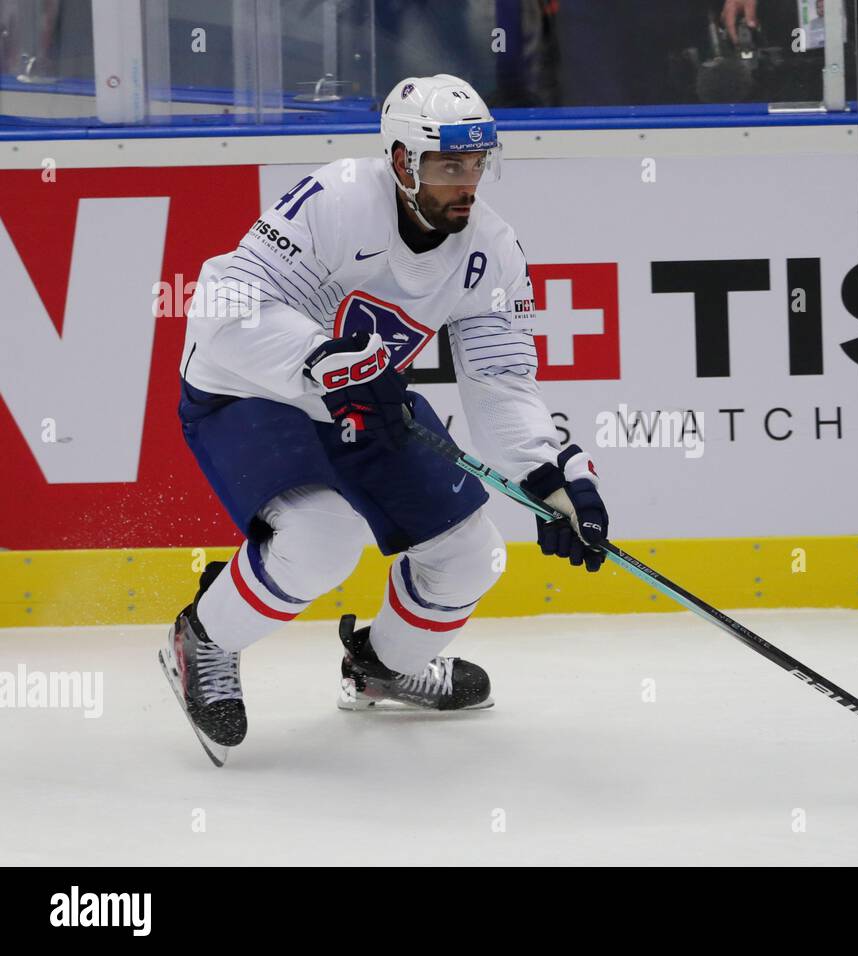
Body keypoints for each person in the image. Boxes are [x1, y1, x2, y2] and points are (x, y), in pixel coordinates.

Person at [161, 75, 611, 763]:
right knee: (322, 537)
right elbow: (224, 308)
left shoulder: (490, 251)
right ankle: (204, 639)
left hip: (367, 401)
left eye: (475, 165)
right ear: (402, 161)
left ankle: (378, 669)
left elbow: (499, 382)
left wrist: (549, 478)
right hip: (249, 389)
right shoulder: (339, 201)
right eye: (448, 166)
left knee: (471, 554)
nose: (466, 183)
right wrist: (319, 356)